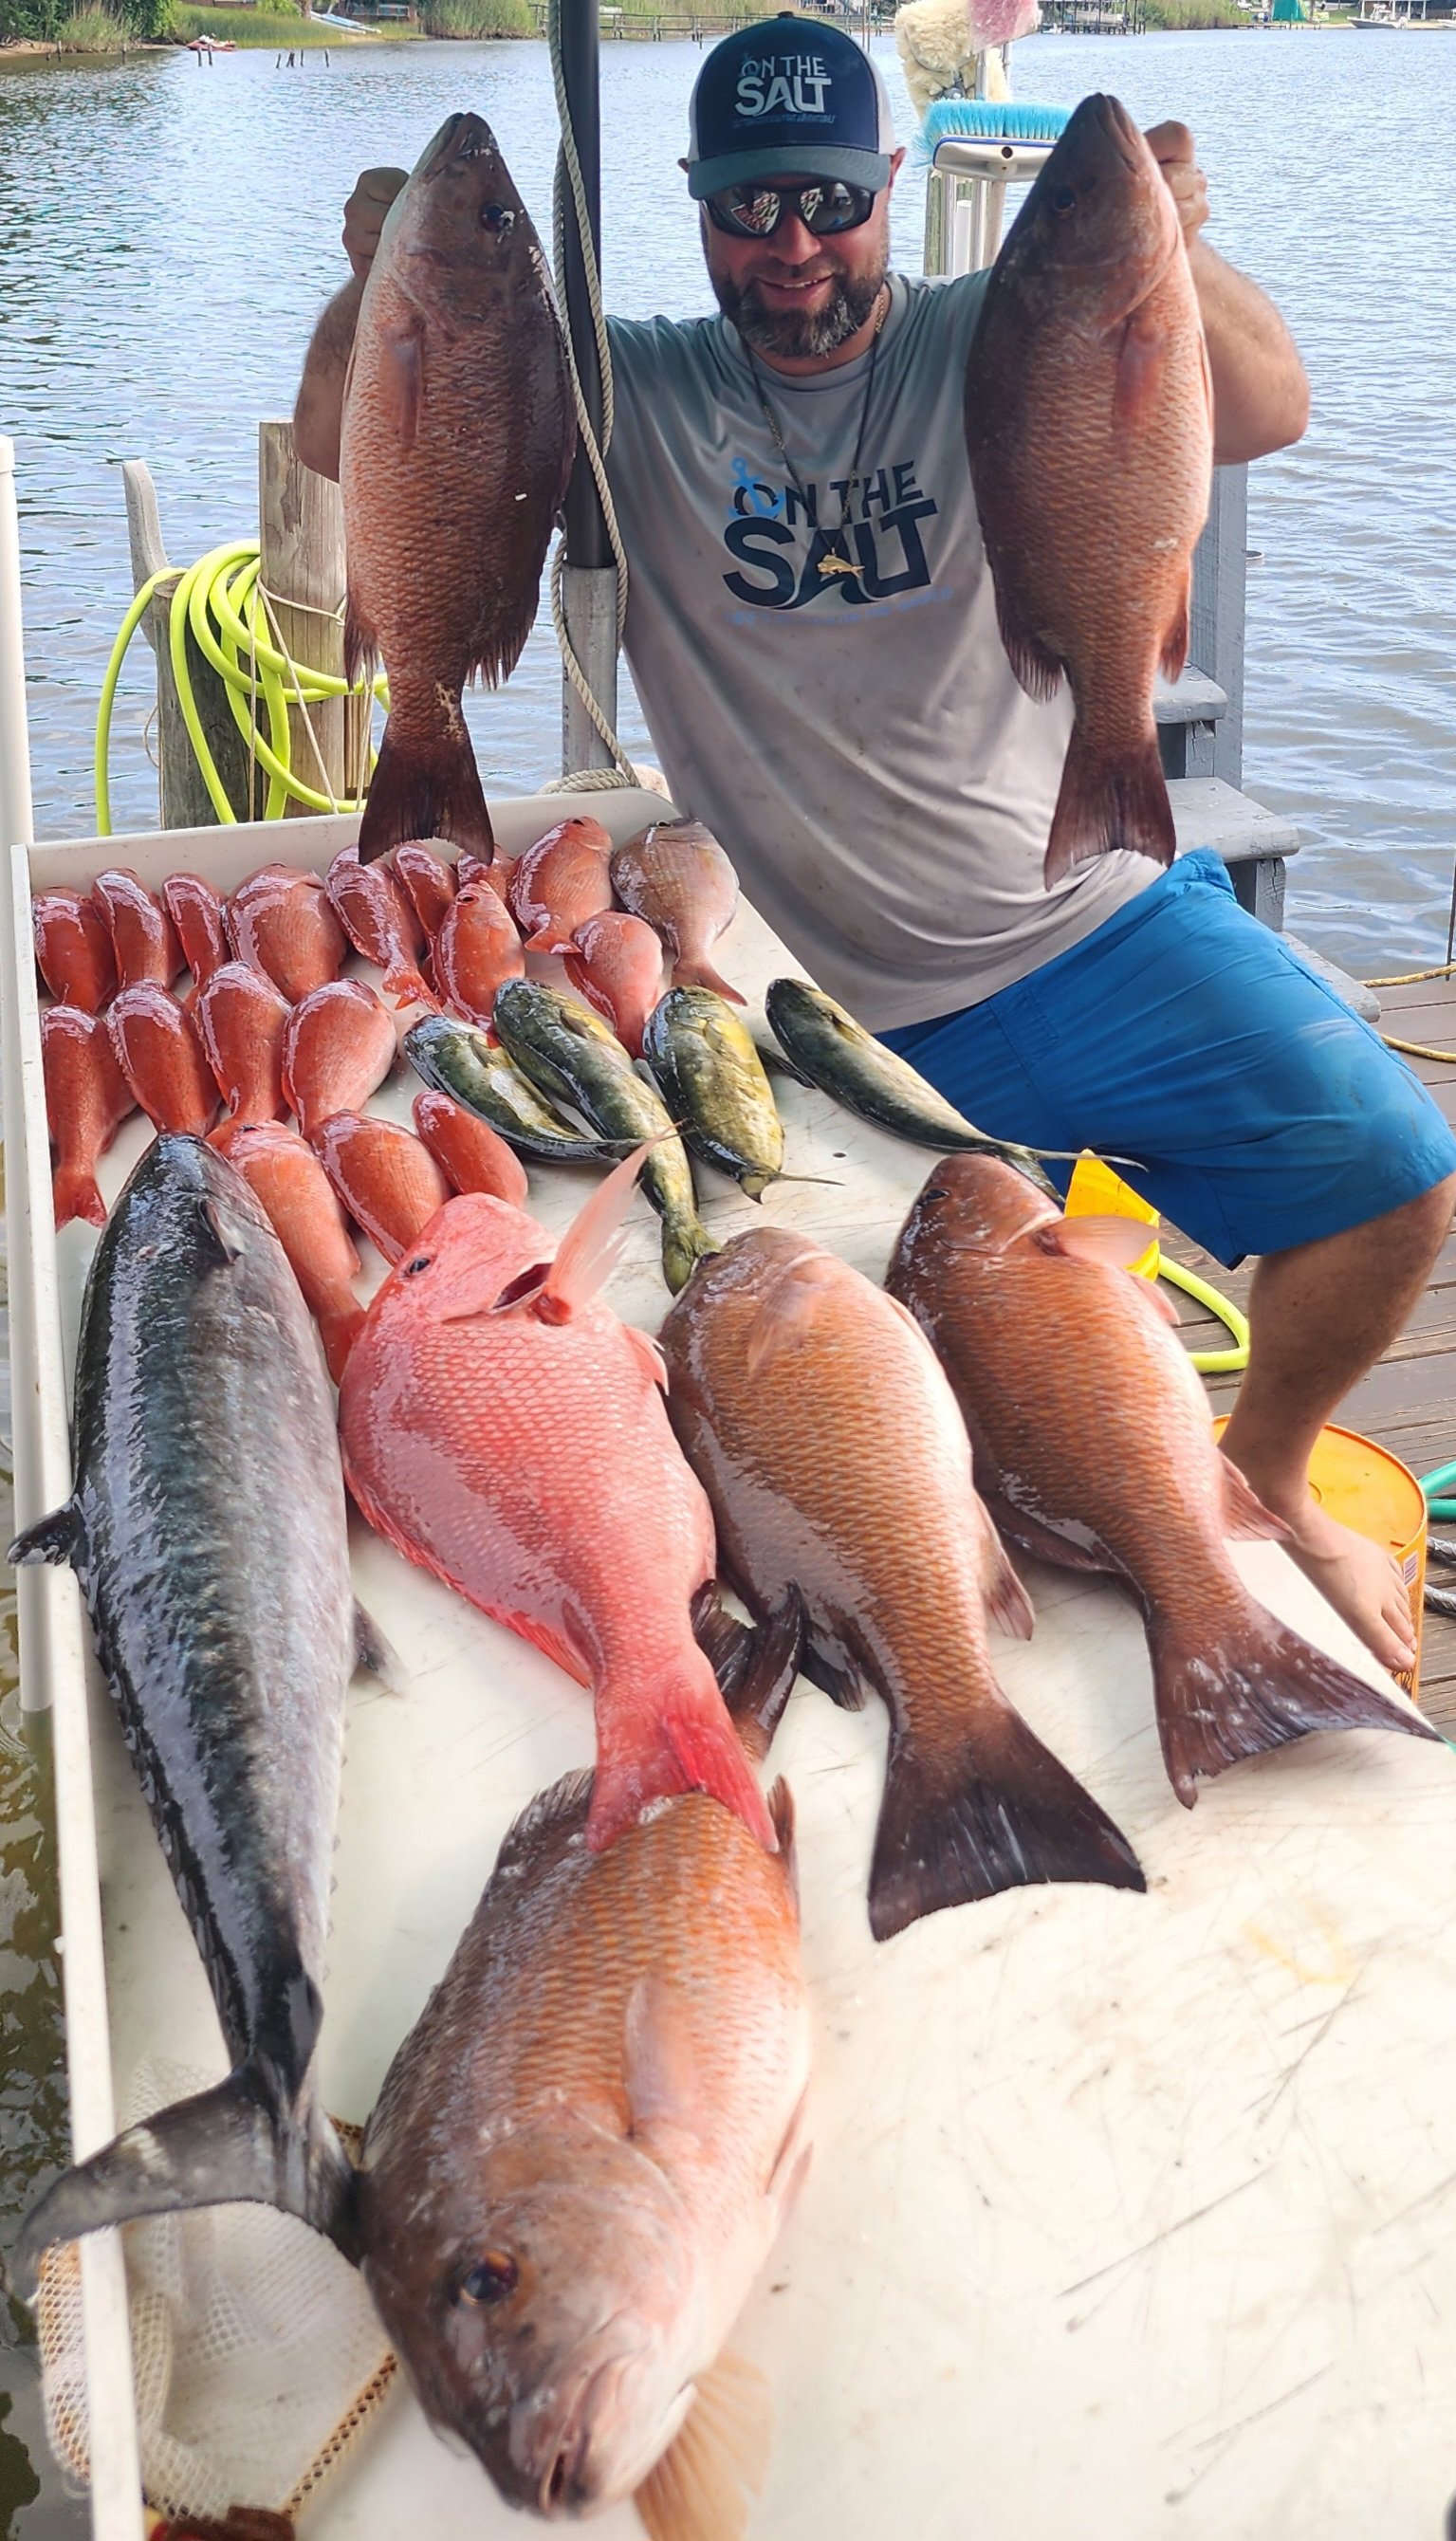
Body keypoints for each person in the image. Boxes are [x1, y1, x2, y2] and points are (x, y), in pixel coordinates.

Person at [294, 19, 1456, 1676]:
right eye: (750, 207)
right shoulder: (630, 397)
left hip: (1089, 926)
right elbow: (368, 434)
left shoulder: (1005, 335)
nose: (792, 251)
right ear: (697, 204)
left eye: (829, 203)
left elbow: (1269, 401)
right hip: (817, 1014)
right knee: (927, 1479)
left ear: (891, 187)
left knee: (1395, 1181)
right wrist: (373, 288)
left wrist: (1175, 246)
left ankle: (1264, 1467)